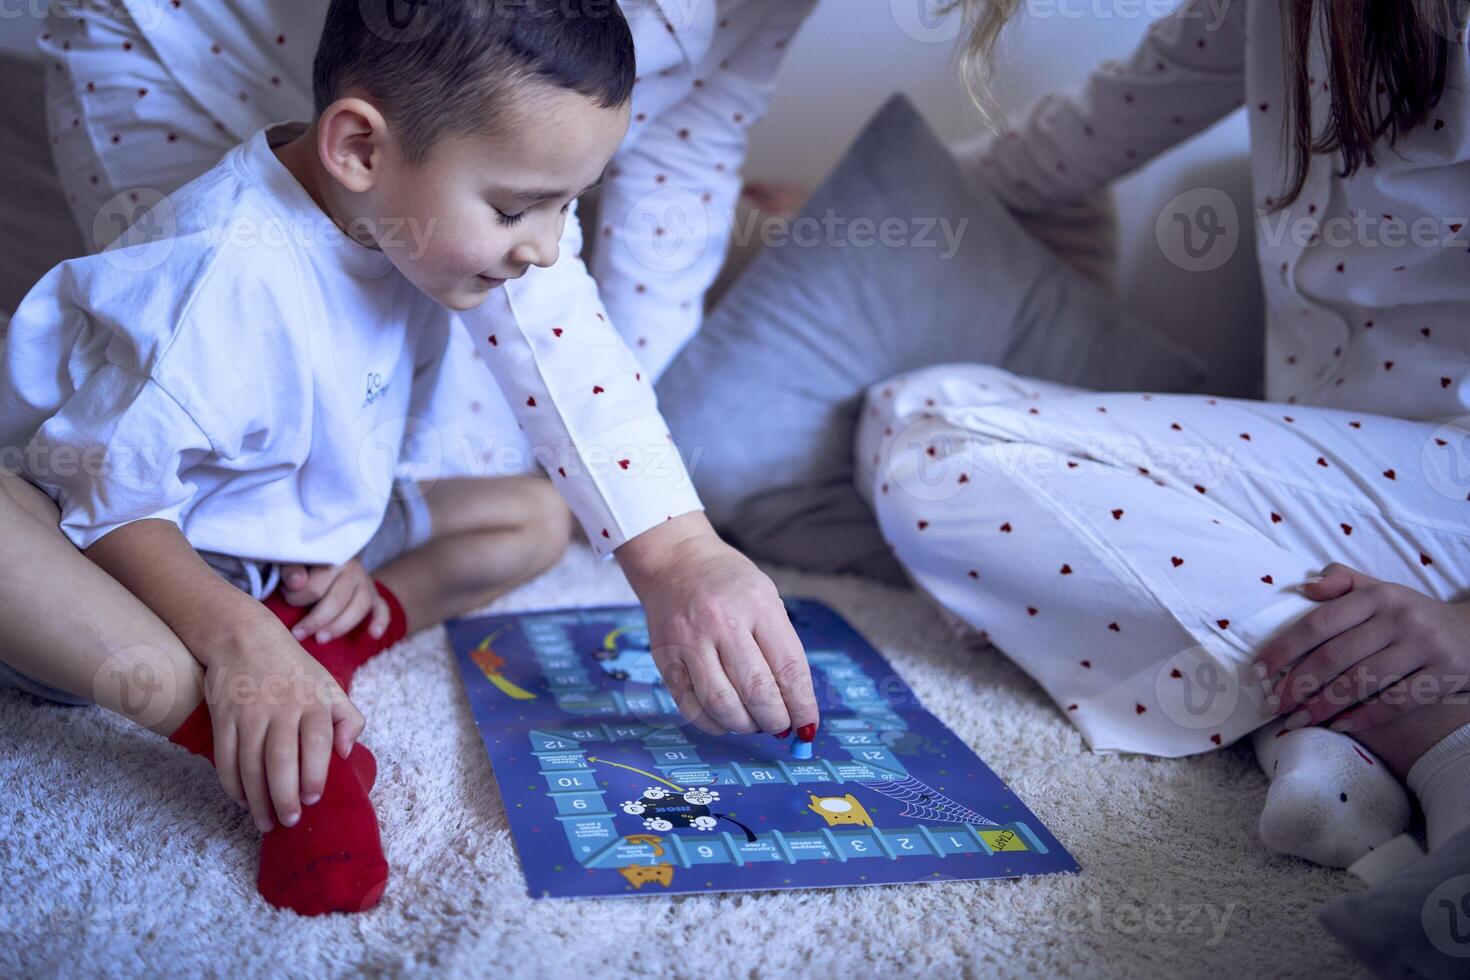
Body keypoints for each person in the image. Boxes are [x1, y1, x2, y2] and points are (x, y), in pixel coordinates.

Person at [0, 0, 814, 915]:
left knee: (536, 514)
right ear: (358, 148)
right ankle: (236, 722)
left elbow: (393, 412)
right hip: (136, 564)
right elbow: (101, 494)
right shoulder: (219, 275)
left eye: (568, 206)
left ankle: (340, 637)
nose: (545, 247)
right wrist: (242, 637)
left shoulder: (393, 216)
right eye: (516, 208)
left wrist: (339, 542)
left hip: (286, 559)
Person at [855, 0, 1469, 876]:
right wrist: (855, 210)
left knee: (935, 435)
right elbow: (1058, 151)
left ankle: (1425, 726)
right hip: (1337, 476)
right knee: (913, 441)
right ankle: (1345, 733)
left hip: (1446, 494)